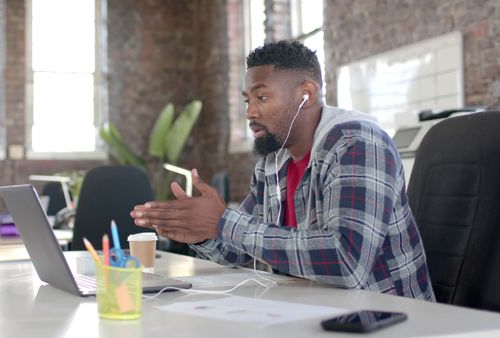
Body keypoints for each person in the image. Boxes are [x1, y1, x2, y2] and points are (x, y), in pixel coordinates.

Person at [131, 40, 435, 301]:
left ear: (306, 93)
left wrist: (223, 222)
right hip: (315, 308)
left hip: (387, 317)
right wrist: (199, 233)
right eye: (248, 100)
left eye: (262, 97)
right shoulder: (273, 162)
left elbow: (347, 262)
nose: (250, 112)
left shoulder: (356, 144)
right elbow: (240, 250)